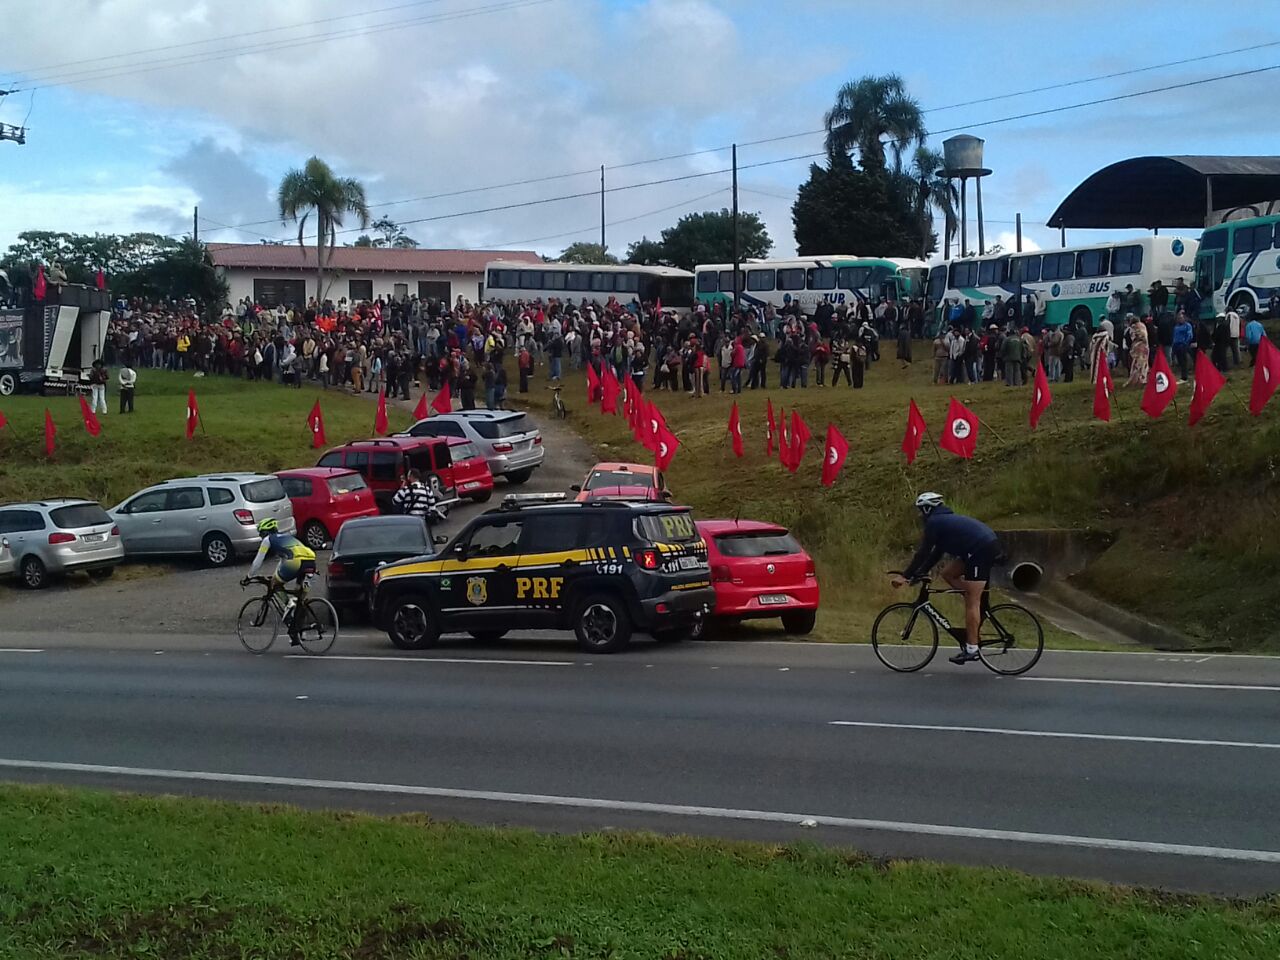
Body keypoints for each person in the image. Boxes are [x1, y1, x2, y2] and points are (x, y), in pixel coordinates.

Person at [891, 493, 1004, 664]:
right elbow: (935, 554)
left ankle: (972, 649)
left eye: (920, 511)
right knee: (948, 574)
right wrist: (918, 573)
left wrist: (905, 576)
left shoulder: (934, 522)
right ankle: (971, 597)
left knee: (972, 601)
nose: (920, 515)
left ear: (927, 509)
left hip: (980, 550)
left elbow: (923, 552)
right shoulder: (943, 522)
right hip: (979, 548)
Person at [242, 518, 317, 647]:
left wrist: (249, 577)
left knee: (275, 584)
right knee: (300, 600)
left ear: (265, 532)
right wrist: (275, 576)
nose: (261, 537)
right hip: (311, 562)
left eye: (261, 534)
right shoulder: (287, 537)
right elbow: (283, 561)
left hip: (295, 562)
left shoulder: (268, 540)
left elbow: (257, 562)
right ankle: (299, 632)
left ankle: (288, 604)